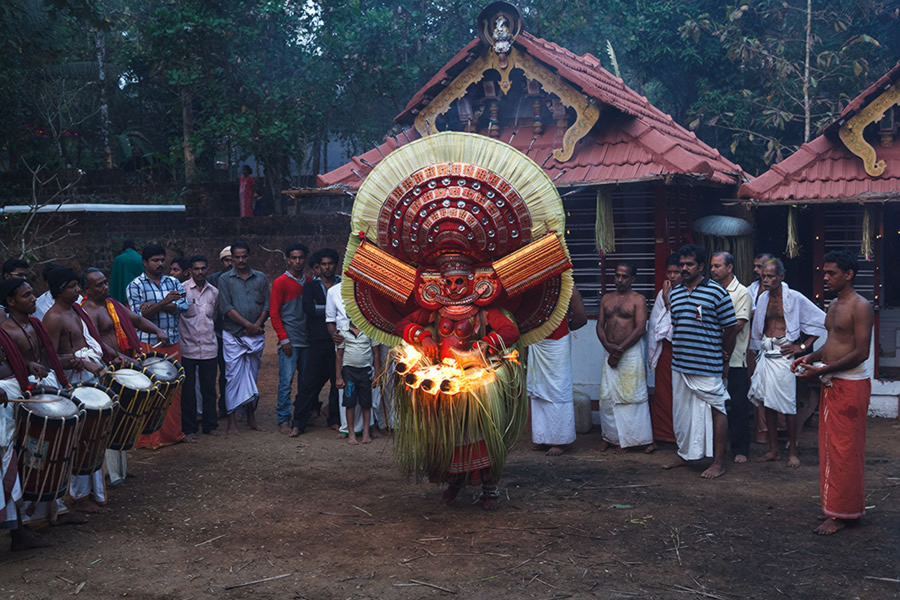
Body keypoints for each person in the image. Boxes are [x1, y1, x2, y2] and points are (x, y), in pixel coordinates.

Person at [792, 250, 873, 535]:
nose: (825, 278)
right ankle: (840, 508)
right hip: (833, 382)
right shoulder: (833, 305)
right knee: (831, 450)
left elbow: (861, 353)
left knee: (845, 451)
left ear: (848, 274)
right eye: (824, 272)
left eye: (831, 273)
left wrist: (823, 370)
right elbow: (833, 344)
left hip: (850, 385)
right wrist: (809, 358)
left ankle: (842, 514)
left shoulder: (861, 306)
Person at [42, 268, 126, 513]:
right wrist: (79, 362)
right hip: (74, 382)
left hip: (90, 377)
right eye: (72, 287)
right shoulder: (54, 317)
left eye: (78, 286)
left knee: (94, 436)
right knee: (81, 439)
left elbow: (94, 342)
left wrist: (113, 356)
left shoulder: (76, 310)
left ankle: (91, 493)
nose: (78, 291)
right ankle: (79, 496)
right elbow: (50, 358)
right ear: (59, 289)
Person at [0, 278, 81, 529]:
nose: (34, 298)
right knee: (24, 454)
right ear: (11, 302)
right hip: (13, 397)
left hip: (40, 388)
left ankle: (54, 510)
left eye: (33, 293)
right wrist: (25, 366)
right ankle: (23, 522)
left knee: (51, 450)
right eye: (27, 295)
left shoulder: (35, 323)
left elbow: (47, 356)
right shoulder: (4, 330)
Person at [79, 267, 169, 485]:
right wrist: (119, 356)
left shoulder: (112, 304)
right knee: (109, 419)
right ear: (86, 289)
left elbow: (137, 320)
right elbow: (94, 344)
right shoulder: (85, 312)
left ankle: (120, 469)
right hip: (104, 369)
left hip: (123, 365)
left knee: (122, 416)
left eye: (105, 282)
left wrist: (157, 330)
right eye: (98, 284)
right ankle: (111, 473)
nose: (105, 287)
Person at [663, 244, 736, 479]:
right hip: (681, 365)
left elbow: (731, 328)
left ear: (701, 266)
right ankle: (684, 454)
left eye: (689, 264)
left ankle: (717, 462)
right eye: (681, 264)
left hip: (708, 364)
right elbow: (676, 326)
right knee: (682, 412)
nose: (684, 269)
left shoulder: (717, 292)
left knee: (718, 407)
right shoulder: (674, 293)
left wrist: (724, 357)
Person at [748, 258, 825, 467]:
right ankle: (773, 450)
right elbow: (758, 329)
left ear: (781, 277)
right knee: (768, 403)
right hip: (766, 353)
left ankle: (792, 450)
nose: (766, 280)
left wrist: (802, 347)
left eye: (771, 276)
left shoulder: (794, 298)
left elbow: (821, 322)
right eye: (764, 276)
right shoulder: (762, 299)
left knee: (788, 404)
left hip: (785, 356)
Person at [127, 244, 189, 448]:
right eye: (155, 260)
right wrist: (165, 303)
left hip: (172, 341)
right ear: (145, 263)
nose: (160, 264)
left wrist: (155, 307)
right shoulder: (135, 285)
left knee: (173, 390)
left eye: (162, 260)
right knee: (150, 391)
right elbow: (138, 316)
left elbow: (183, 306)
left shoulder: (173, 281)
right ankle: (148, 439)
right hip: (148, 343)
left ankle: (172, 435)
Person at [596, 262, 653, 453]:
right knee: (607, 396)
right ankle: (610, 437)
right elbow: (600, 326)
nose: (620, 280)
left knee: (632, 395)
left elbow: (640, 328)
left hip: (630, 353)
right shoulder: (606, 298)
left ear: (632, 279)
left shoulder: (638, 299)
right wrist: (608, 347)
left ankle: (634, 439)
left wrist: (619, 350)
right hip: (610, 351)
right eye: (617, 275)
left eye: (625, 276)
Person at [217, 241, 269, 435]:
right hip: (234, 336)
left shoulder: (261, 278)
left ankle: (251, 418)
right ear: (231, 258)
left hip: (255, 337)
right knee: (232, 378)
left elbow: (266, 306)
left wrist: (256, 326)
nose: (240, 260)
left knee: (251, 377)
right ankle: (232, 421)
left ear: (249, 256)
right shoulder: (225, 279)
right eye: (236, 257)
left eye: (243, 256)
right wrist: (249, 326)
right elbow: (226, 308)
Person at [527, 287, 586, 456]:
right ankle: (542, 437)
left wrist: (564, 327)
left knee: (558, 390)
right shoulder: (533, 285)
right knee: (539, 391)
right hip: (536, 341)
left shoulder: (568, 286)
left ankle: (562, 440)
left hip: (558, 342)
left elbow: (581, 318)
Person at [291, 249, 341, 437]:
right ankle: (298, 422)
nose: (327, 267)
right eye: (324, 264)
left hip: (338, 340)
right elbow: (308, 309)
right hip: (317, 341)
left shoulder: (342, 285)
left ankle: (334, 419)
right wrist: (333, 310)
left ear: (335, 264)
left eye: (330, 263)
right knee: (308, 383)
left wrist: (322, 309)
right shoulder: (311, 286)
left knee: (337, 383)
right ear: (318, 266)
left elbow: (348, 309)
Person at [709, 252, 753, 464]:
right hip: (712, 357)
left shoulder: (741, 292)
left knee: (737, 405)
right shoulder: (710, 290)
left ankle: (740, 449)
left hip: (735, 358)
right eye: (712, 266)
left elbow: (737, 325)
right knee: (716, 405)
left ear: (730, 268)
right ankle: (716, 447)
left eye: (718, 266)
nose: (713, 270)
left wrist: (719, 339)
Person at [270, 243, 309, 434]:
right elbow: (274, 313)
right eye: (294, 258)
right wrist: (284, 339)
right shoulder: (280, 282)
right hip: (290, 341)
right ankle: (283, 418)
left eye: (301, 257)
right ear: (287, 260)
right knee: (286, 381)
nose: (297, 261)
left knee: (305, 381)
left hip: (307, 340)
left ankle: (301, 416)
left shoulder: (309, 281)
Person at [180, 255, 219, 440]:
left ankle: (210, 425)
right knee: (188, 391)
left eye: (203, 268)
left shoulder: (214, 292)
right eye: (196, 269)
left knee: (209, 389)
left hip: (210, 347)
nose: (200, 272)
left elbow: (215, 316)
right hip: (188, 347)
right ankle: (189, 429)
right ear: (190, 271)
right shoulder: (181, 290)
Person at [646, 254, 681, 447]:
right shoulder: (662, 293)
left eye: (677, 272)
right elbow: (656, 323)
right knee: (663, 393)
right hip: (665, 349)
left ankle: (681, 436)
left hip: (683, 351)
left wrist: (669, 300)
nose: (673, 276)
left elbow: (678, 321)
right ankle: (662, 434)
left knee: (681, 395)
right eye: (670, 272)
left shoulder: (687, 292)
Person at [335, 320, 380, 445]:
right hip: (349, 372)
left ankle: (366, 432)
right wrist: (338, 376)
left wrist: (376, 374)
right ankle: (351, 433)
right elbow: (339, 355)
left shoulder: (369, 330)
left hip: (365, 371)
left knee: (366, 403)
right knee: (350, 403)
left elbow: (376, 353)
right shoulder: (343, 331)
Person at [208, 246, 232, 419]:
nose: (230, 263)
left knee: (228, 372)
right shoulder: (212, 280)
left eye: (232, 259)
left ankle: (227, 406)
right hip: (214, 332)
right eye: (227, 260)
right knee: (210, 373)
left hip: (233, 333)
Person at [110, 240, 144, 305]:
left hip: (122, 296)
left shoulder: (118, 260)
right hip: (139, 295)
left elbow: (114, 281)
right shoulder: (141, 259)